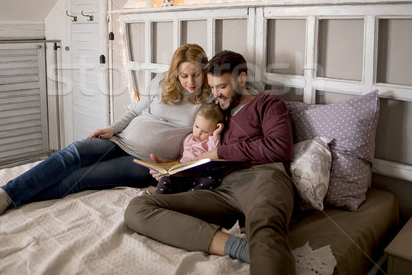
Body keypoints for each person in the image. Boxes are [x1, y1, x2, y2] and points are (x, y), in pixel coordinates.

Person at [0, 43, 211, 221]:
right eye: (184, 75)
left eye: (196, 75)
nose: (190, 82)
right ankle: (1, 197)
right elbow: (134, 111)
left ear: (205, 72)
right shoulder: (160, 83)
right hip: (120, 140)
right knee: (70, 153)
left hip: (144, 162)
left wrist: (171, 166)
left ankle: (7, 201)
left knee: (79, 178)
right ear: (176, 72)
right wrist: (111, 129)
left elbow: (202, 146)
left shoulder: (210, 103)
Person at [124, 50, 296, 274]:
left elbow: (279, 147)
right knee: (138, 208)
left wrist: (220, 152)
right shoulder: (219, 116)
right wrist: (172, 171)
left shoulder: (268, 102)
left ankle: (262, 250)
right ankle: (238, 247)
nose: (216, 94)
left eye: (222, 87)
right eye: (213, 88)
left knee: (266, 233)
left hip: (264, 179)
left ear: (241, 79)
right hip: (223, 189)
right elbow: (205, 160)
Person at [154, 102, 225, 194]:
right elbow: (181, 156)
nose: (198, 133)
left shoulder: (210, 142)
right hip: (182, 173)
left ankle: (185, 196)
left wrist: (215, 135)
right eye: (196, 126)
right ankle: (156, 199)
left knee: (213, 180)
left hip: (199, 176)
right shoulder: (188, 138)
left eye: (204, 131)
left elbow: (215, 154)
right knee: (165, 179)